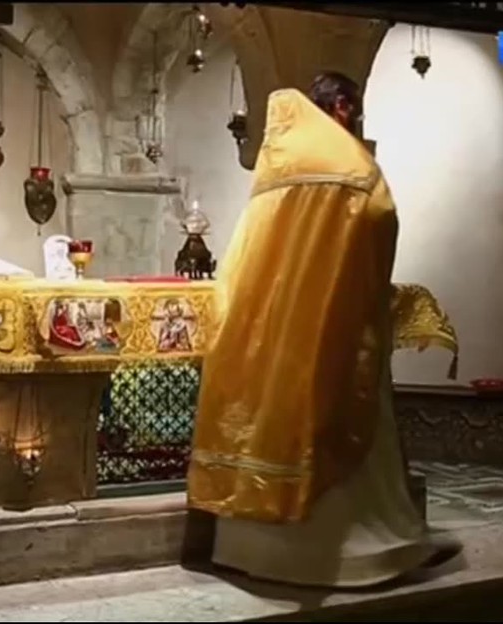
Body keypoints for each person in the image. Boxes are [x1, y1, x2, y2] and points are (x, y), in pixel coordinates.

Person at [186, 72, 460, 588]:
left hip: (267, 325)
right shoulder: (349, 163)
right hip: (331, 320)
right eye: (356, 114)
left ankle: (249, 550)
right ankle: (352, 555)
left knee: (268, 423)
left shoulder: (275, 165)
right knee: (337, 422)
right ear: (343, 109)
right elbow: (378, 221)